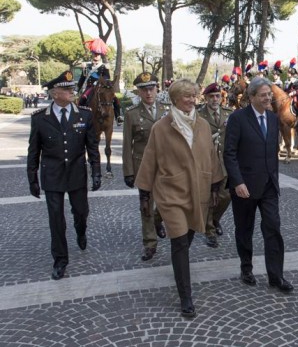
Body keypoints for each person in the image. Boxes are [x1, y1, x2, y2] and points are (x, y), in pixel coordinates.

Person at [135, 79, 224, 318]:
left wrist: (215, 186)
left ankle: (180, 273)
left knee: (189, 235)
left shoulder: (203, 125)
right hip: (171, 192)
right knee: (180, 242)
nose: (192, 100)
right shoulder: (161, 127)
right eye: (187, 96)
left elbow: (212, 158)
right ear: (174, 99)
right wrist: (145, 193)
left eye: (194, 96)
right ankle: (186, 297)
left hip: (198, 191)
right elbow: (149, 160)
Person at [27, 71, 101, 280]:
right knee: (56, 219)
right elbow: (33, 152)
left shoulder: (84, 115)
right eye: (66, 89)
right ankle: (60, 259)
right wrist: (32, 178)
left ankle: (81, 229)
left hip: (77, 174)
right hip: (52, 176)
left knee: (81, 211)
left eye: (71, 88)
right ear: (54, 93)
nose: (72, 91)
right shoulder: (40, 119)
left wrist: (96, 173)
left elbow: (92, 147)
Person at [224, 76, 293, 293]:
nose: (268, 98)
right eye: (263, 95)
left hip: (269, 186)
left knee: (273, 228)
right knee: (244, 229)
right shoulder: (237, 119)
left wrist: (275, 178)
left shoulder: (273, 119)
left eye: (269, 95)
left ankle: (276, 276)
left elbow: (272, 151)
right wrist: (237, 182)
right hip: (244, 187)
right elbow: (229, 153)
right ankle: (246, 268)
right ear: (251, 97)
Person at [122, 72, 169, 262]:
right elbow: (127, 145)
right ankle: (150, 243)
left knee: (167, 202)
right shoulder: (131, 114)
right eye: (144, 90)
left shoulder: (168, 110)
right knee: (146, 205)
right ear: (139, 92)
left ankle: (158, 221)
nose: (149, 93)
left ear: (157, 89)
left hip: (166, 166)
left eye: (151, 88)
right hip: (143, 165)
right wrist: (128, 172)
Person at [197, 83, 233, 248]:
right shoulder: (198, 115)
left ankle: (214, 219)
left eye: (217, 96)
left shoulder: (229, 114)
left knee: (226, 196)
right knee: (209, 197)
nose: (215, 99)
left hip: (225, 162)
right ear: (205, 98)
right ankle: (209, 231)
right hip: (207, 162)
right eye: (211, 96)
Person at [77, 38, 123, 125]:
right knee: (82, 99)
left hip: (101, 87)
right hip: (90, 88)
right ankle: (80, 118)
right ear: (92, 53)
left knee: (115, 99)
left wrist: (100, 82)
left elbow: (107, 78)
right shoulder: (86, 66)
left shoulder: (104, 67)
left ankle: (118, 117)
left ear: (101, 55)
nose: (96, 55)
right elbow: (82, 79)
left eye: (98, 54)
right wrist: (76, 90)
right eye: (95, 53)